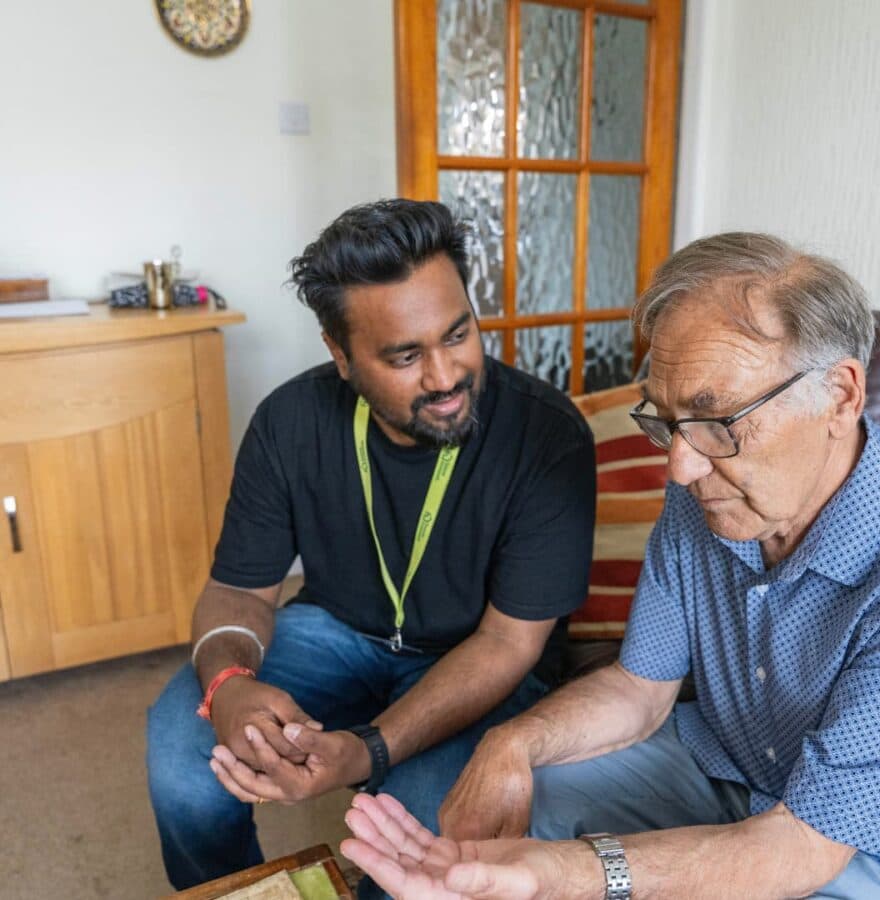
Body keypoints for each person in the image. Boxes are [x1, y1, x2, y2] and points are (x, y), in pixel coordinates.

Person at [336, 233, 880, 899]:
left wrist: (574, 872)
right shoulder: (709, 488)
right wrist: (512, 746)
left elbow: (800, 846)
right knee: (468, 832)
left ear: (841, 397)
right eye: (668, 422)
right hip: (730, 767)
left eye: (718, 421)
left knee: (544, 873)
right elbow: (639, 687)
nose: (680, 466)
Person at [145, 199, 596, 897]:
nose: (446, 377)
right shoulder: (289, 422)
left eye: (458, 335)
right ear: (341, 355)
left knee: (418, 831)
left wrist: (365, 750)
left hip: (477, 656)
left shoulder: (547, 438)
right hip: (336, 630)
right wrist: (227, 687)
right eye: (406, 356)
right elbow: (239, 590)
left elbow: (509, 643)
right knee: (180, 748)